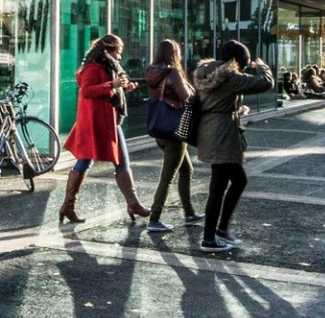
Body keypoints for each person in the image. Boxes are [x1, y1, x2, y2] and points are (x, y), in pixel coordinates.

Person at [191, 40, 274, 254]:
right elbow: (265, 83)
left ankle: (220, 230)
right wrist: (262, 66)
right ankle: (210, 238)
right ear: (239, 59)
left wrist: (235, 109)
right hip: (222, 135)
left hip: (210, 130)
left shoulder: (206, 72)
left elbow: (217, 101)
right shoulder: (230, 75)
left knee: (234, 181)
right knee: (220, 186)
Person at [59, 34, 149, 225]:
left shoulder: (108, 66)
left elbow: (107, 89)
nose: (120, 57)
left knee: (105, 161)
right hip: (98, 123)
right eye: (118, 52)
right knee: (99, 162)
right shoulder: (94, 67)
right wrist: (112, 85)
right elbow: (87, 90)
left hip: (106, 121)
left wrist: (124, 88)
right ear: (108, 50)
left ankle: (69, 206)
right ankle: (69, 206)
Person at [142, 40, 202, 234]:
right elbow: (187, 99)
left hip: (160, 128)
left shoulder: (151, 70)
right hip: (176, 130)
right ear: (174, 53)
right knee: (167, 177)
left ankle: (190, 213)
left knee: (186, 169)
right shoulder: (172, 72)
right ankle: (155, 218)